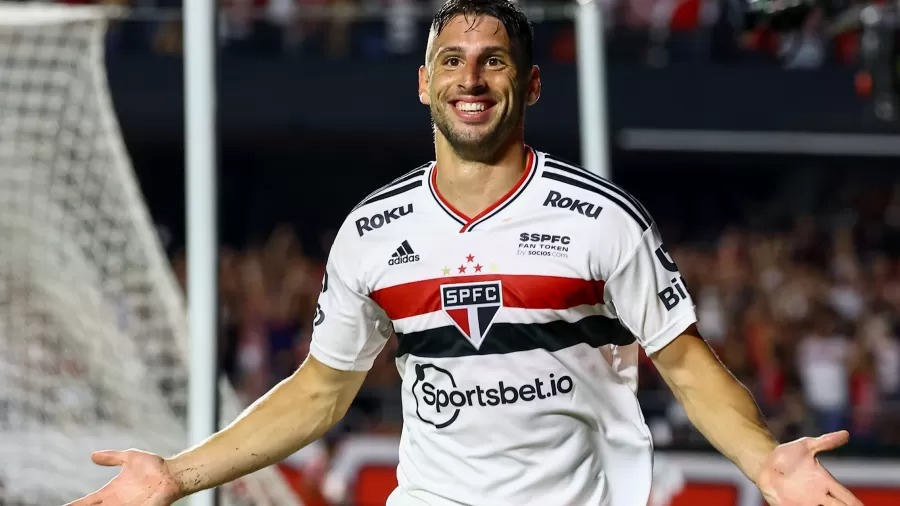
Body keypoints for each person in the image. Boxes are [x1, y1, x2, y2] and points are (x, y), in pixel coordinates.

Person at [66, 0, 864, 505]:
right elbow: (318, 392)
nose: (471, 78)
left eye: (493, 61)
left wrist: (767, 465)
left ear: (532, 84)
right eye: (452, 60)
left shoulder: (600, 219)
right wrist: (173, 476)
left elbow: (685, 364)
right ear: (423, 83)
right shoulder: (373, 232)